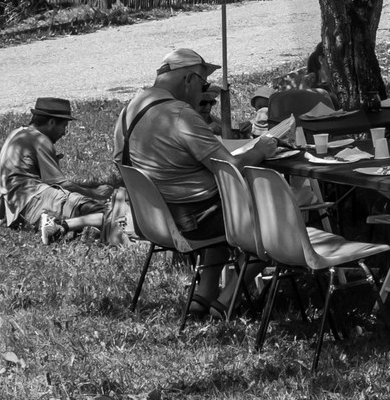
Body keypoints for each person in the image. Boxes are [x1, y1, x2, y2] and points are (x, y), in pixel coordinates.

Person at [113, 47, 278, 315]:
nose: (203, 92)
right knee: (274, 218)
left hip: (154, 218)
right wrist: (262, 149)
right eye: (202, 84)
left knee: (221, 201)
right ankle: (228, 300)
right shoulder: (178, 114)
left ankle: (203, 295)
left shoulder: (129, 110)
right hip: (193, 222)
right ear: (189, 79)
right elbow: (228, 167)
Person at [0, 98, 114, 244]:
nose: (64, 133)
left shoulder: (15, 135)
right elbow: (60, 183)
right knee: (110, 214)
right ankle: (60, 226)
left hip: (19, 213)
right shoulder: (40, 140)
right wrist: (95, 193)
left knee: (94, 217)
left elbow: (1, 186)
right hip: (38, 197)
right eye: (64, 126)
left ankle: (59, 226)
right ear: (51, 122)